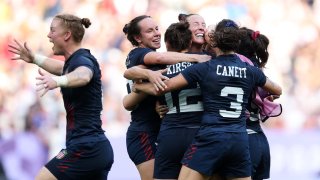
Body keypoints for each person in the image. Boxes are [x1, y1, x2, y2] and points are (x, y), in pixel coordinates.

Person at [134, 19, 282, 180]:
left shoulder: (205, 67)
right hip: (239, 140)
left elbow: (165, 86)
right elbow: (277, 89)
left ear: (214, 42)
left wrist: (139, 87)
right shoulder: (250, 71)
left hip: (211, 137)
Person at [8, 14, 113, 180]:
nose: (48, 35)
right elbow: (62, 68)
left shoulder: (82, 61)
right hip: (95, 148)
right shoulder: (75, 61)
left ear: (67, 35)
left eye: (52, 30)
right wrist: (34, 58)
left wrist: (58, 81)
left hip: (85, 149)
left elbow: (83, 75)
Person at [122, 15, 211, 180]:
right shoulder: (140, 54)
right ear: (137, 38)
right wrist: (198, 58)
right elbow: (127, 101)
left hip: (164, 131)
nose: (156, 34)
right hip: (144, 132)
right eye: (150, 31)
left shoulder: (166, 62)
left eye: (157, 29)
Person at [238, 27, 282, 180]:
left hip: (243, 140)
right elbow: (277, 90)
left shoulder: (236, 69)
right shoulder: (257, 71)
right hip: (260, 140)